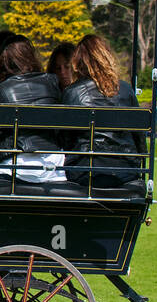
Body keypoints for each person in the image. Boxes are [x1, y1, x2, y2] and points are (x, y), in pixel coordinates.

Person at [60, 34, 145, 187]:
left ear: (78, 63)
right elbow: (138, 137)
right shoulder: (125, 89)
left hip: (85, 170)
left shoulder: (72, 93)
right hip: (125, 169)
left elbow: (66, 139)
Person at [0, 36, 65, 182]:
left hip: (15, 166)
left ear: (5, 60)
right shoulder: (52, 81)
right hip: (52, 164)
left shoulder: (0, 90)